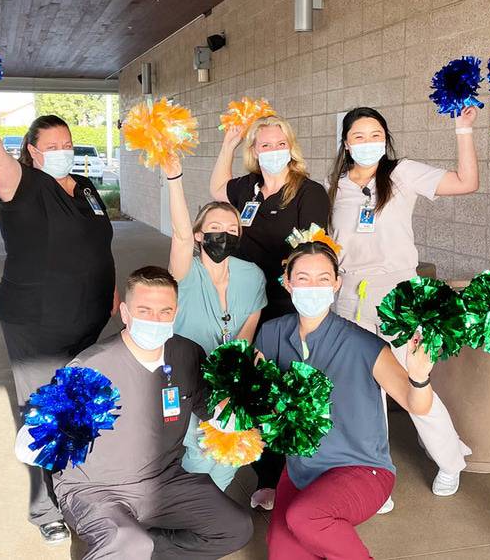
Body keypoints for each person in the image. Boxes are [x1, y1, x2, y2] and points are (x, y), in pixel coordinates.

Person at [0, 78, 117, 544]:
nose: (64, 150)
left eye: (68, 142)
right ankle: (44, 507)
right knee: (43, 410)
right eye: (53, 145)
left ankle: (78, 491)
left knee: (82, 405)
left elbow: (98, 242)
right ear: (32, 151)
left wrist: (111, 291)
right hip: (37, 321)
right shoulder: (23, 185)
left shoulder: (84, 187)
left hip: (88, 315)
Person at [327, 106, 479, 508]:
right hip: (348, 298)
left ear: (386, 139)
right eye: (359, 136)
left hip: (399, 296)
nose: (368, 142)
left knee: (414, 379)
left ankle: (450, 459)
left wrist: (463, 131)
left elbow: (466, 183)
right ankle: (372, 475)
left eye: (376, 134)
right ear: (345, 142)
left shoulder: (400, 173)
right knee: (359, 392)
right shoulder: (335, 186)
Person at [50, 266, 253, 560]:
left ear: (175, 311)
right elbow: (48, 436)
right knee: (129, 544)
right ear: (125, 312)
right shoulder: (90, 368)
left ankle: (142, 549)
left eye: (164, 311)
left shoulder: (186, 354)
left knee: (236, 527)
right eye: (144, 310)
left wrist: (235, 414)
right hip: (96, 488)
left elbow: (208, 405)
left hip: (162, 480)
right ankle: (122, 546)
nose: (154, 320)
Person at [257, 240, 436, 559]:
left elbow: (416, 404)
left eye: (323, 278)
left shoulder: (364, 344)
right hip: (301, 470)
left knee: (306, 518)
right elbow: (257, 394)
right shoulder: (271, 334)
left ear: (337, 283)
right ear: (287, 282)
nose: (313, 286)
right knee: (282, 553)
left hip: (360, 469)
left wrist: (419, 375)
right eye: (303, 278)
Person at [210, 115, 330, 508]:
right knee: (254, 384)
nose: (273, 151)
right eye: (265, 145)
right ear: (255, 151)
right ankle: (266, 477)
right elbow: (217, 192)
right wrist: (227, 144)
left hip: (284, 302)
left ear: (290, 147)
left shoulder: (309, 191)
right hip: (245, 298)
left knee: (287, 388)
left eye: (280, 144)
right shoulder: (247, 188)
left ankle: (295, 475)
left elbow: (311, 249)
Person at [163, 157, 267, 491]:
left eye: (231, 229)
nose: (223, 235)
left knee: (231, 451)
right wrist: (173, 177)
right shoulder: (184, 274)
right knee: (198, 453)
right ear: (199, 235)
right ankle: (193, 507)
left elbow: (248, 330)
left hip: (229, 383)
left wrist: (239, 374)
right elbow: (179, 238)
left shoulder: (251, 276)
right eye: (214, 229)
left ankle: (209, 510)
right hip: (189, 381)